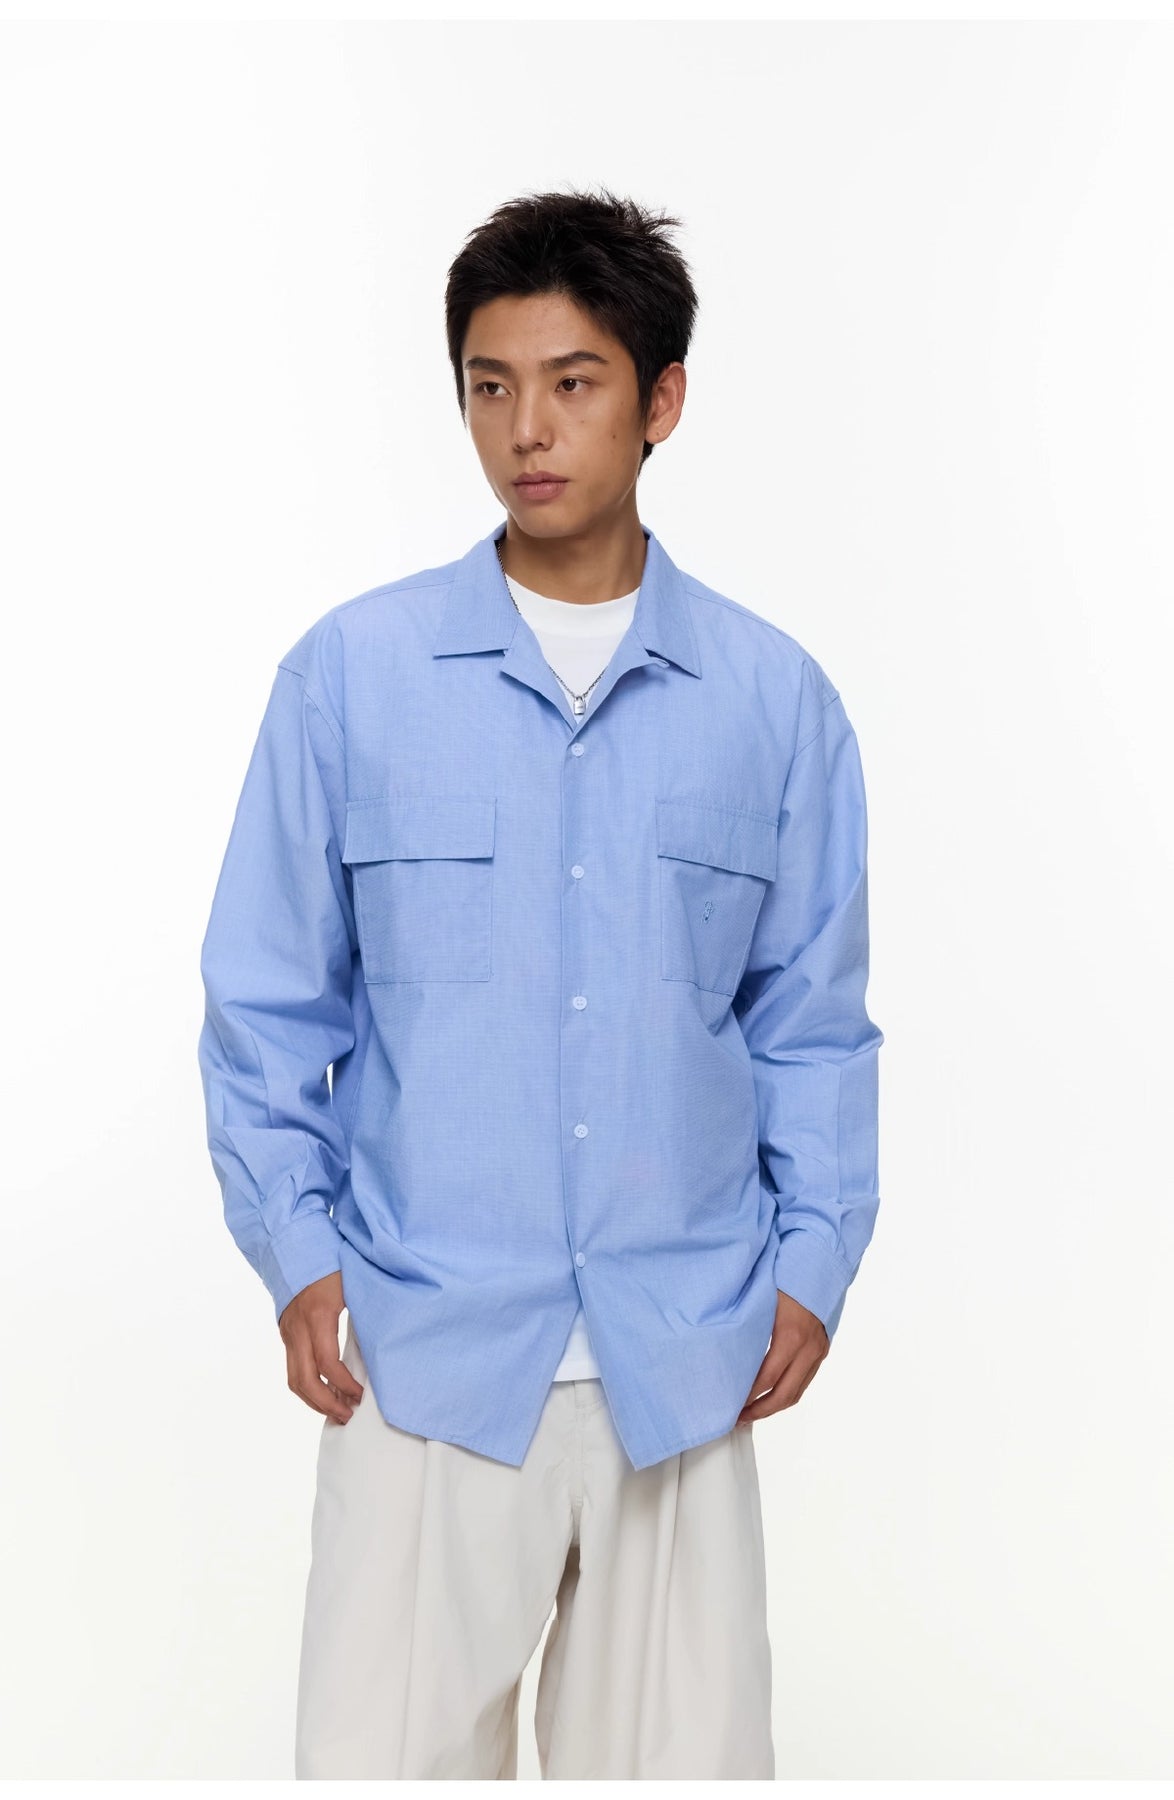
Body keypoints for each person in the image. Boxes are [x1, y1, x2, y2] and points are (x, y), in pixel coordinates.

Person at [197, 185, 883, 1781]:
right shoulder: (352, 680)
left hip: (683, 1347)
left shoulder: (771, 702)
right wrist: (300, 1254)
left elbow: (808, 1017)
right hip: (422, 1347)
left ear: (660, 401)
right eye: (489, 385)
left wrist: (813, 1256)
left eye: (572, 383)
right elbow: (265, 1003)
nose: (526, 429)